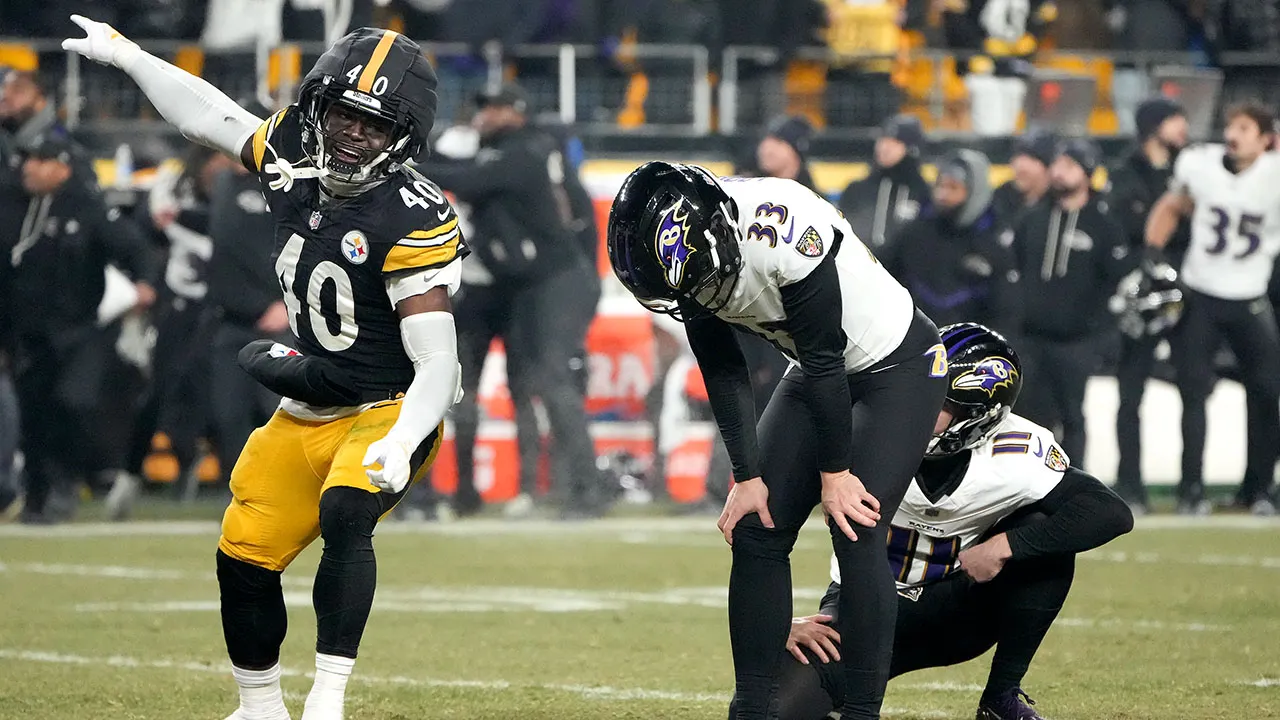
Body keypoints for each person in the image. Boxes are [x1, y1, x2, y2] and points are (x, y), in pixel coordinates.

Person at [62, 16, 466, 720]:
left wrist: (401, 441)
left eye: (372, 127)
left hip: (389, 401)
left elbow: (440, 362)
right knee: (242, 553)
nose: (350, 135)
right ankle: (259, 707)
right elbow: (208, 113)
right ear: (318, 106)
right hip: (313, 397)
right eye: (343, 114)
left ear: (402, 138)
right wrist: (129, 56)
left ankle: (329, 699)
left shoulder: (412, 217)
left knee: (347, 511)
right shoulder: (287, 151)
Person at [607, 162, 948, 720]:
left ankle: (862, 712)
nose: (693, 296)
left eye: (695, 282)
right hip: (817, 369)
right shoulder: (691, 253)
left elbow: (824, 359)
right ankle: (754, 705)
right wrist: (747, 476)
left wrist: (835, 474)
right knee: (755, 526)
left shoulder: (785, 227)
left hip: (898, 366)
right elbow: (722, 367)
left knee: (856, 527)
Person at [752, 323, 1134, 720]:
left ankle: (1001, 697)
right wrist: (782, 621)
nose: (911, 406)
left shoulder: (1015, 455)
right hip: (861, 609)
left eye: (933, 399)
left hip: (956, 612)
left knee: (1044, 536)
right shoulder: (859, 428)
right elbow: (765, 532)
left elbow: (1109, 513)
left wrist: (1006, 547)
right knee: (764, 712)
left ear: (975, 417)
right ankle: (843, 697)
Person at [427, 83, 605, 518]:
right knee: (543, 382)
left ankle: (588, 490)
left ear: (517, 112)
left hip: (558, 281)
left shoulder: (525, 151)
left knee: (552, 380)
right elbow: (465, 170)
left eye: (497, 108)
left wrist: (405, 164)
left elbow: (466, 178)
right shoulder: (506, 154)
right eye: (483, 107)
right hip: (533, 285)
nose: (485, 115)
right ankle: (577, 489)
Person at [8, 133, 158, 523]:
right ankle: (36, 496)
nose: (29, 167)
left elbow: (134, 247)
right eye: (28, 160)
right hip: (28, 333)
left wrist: (144, 281)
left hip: (78, 331)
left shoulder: (86, 208)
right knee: (32, 416)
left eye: (39, 161)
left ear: (62, 167)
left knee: (71, 403)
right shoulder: (16, 208)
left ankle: (64, 485)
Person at [1146, 100, 1280, 515]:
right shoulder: (1199, 165)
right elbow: (1172, 206)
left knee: (1266, 392)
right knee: (1193, 392)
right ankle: (1191, 489)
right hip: (1202, 293)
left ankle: (1257, 489)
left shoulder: (1274, 174)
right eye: (1231, 125)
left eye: (1244, 127)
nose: (1233, 134)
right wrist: (1151, 255)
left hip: (1251, 295)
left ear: (1265, 140)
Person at [1011, 139, 1129, 465]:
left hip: (1077, 341)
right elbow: (1017, 267)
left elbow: (1113, 281)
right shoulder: (1031, 218)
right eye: (1057, 165)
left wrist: (1098, 332)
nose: (1059, 173)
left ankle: (1074, 491)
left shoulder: (1104, 224)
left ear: (1088, 174)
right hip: (1031, 337)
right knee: (1028, 420)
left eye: (1069, 166)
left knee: (1072, 417)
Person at [1105, 97, 1189, 512]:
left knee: (1193, 390)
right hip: (1142, 299)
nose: (1183, 129)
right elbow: (1126, 227)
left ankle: (1191, 488)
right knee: (1130, 395)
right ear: (1154, 126)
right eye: (1175, 120)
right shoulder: (1124, 173)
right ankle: (1130, 484)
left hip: (1186, 296)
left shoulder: (1188, 168)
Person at [881, 148, 1022, 335]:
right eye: (940, 186)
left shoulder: (995, 243)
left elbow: (1006, 314)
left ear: (975, 192)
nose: (943, 195)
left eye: (953, 188)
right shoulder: (914, 233)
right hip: (915, 347)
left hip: (971, 349)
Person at [838, 114, 930, 250]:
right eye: (883, 139)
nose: (885, 147)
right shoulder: (857, 190)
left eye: (895, 142)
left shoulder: (924, 194)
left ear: (912, 149)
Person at [990, 129, 1057, 233]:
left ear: (1049, 167)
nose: (1020, 165)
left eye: (1031, 159)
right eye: (1018, 157)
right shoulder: (1001, 198)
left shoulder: (1059, 203)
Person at [756, 115, 817, 191]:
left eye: (777, 142)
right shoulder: (750, 188)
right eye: (765, 140)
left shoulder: (810, 197)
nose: (766, 150)